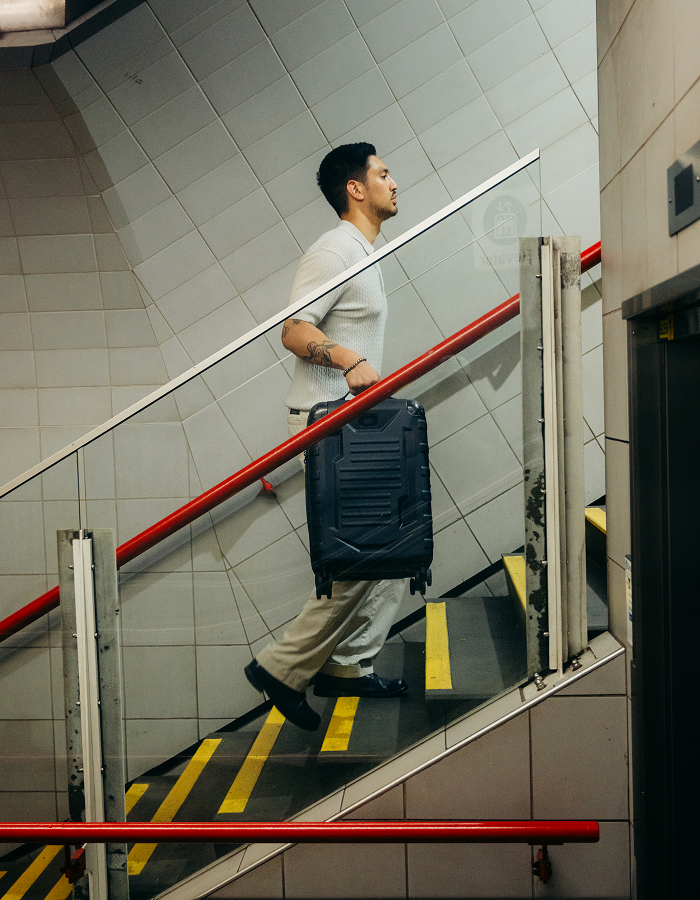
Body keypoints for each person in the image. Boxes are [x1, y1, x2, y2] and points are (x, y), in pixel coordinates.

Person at [245, 142, 407, 731]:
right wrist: (348, 359)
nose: (394, 181)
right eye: (383, 173)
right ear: (355, 189)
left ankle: (347, 665)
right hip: (326, 423)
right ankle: (280, 667)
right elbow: (293, 330)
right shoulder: (335, 250)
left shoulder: (364, 249)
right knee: (364, 550)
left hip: (352, 422)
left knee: (391, 540)